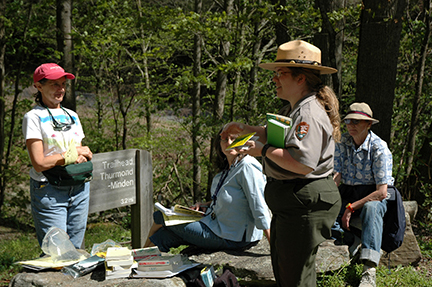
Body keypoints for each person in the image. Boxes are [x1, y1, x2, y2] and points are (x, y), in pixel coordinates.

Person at [220, 40, 342, 287]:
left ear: (301, 79)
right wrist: (247, 129)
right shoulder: (295, 108)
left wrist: (261, 150)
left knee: (296, 280)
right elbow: (278, 135)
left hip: (303, 200)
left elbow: (302, 163)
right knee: (290, 276)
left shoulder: (308, 112)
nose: (274, 79)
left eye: (280, 73)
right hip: (294, 203)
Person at [143, 129, 271, 252]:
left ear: (245, 140)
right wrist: (206, 204)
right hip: (216, 226)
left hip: (233, 237)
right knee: (164, 236)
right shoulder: (229, 169)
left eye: (234, 138)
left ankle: (138, 256)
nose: (229, 143)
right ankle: (138, 263)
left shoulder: (247, 166)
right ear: (219, 145)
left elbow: (259, 205)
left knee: (161, 216)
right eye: (225, 139)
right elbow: (233, 197)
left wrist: (276, 248)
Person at [22, 63, 93, 249]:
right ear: (39, 86)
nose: (60, 89)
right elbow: (39, 163)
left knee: (75, 249)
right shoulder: (33, 118)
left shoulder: (72, 116)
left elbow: (79, 153)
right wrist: (74, 154)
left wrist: (81, 156)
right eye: (54, 84)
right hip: (49, 189)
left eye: (62, 84)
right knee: (57, 253)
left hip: (78, 187)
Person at [332, 102, 394, 287]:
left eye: (357, 121)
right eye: (349, 120)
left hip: (374, 194)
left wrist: (351, 207)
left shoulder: (379, 148)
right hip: (349, 191)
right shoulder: (342, 142)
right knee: (323, 214)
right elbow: (337, 176)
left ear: (368, 125)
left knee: (371, 208)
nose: (351, 124)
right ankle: (356, 239)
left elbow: (382, 191)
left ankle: (369, 270)